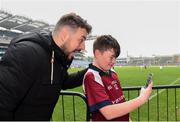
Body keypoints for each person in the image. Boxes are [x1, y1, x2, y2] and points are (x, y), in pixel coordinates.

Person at [0, 13, 92, 120]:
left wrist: (92, 68)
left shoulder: (58, 56)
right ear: (64, 35)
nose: (83, 47)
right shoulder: (25, 53)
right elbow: (2, 105)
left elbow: (64, 81)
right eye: (81, 40)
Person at [83, 35, 153, 121]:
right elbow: (108, 112)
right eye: (111, 57)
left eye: (115, 58)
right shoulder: (91, 76)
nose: (114, 61)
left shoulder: (113, 72)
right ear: (97, 54)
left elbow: (120, 101)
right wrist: (142, 98)